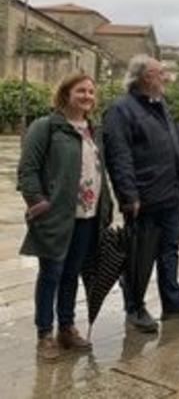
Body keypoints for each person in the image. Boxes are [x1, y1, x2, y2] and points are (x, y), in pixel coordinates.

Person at [18, 73, 113, 360]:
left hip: (88, 215)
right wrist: (39, 203)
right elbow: (28, 169)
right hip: (57, 215)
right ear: (66, 94)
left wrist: (106, 207)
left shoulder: (93, 130)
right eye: (80, 91)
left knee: (72, 273)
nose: (87, 96)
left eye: (91, 92)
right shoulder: (46, 126)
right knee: (51, 274)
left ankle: (67, 327)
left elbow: (99, 172)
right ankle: (45, 333)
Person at [104, 55, 179, 333]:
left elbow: (173, 146)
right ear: (144, 77)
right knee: (138, 256)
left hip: (170, 195)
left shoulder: (160, 105)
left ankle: (172, 300)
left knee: (170, 249)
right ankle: (135, 307)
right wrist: (128, 195)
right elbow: (119, 156)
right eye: (160, 73)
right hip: (143, 199)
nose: (165, 77)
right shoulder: (121, 110)